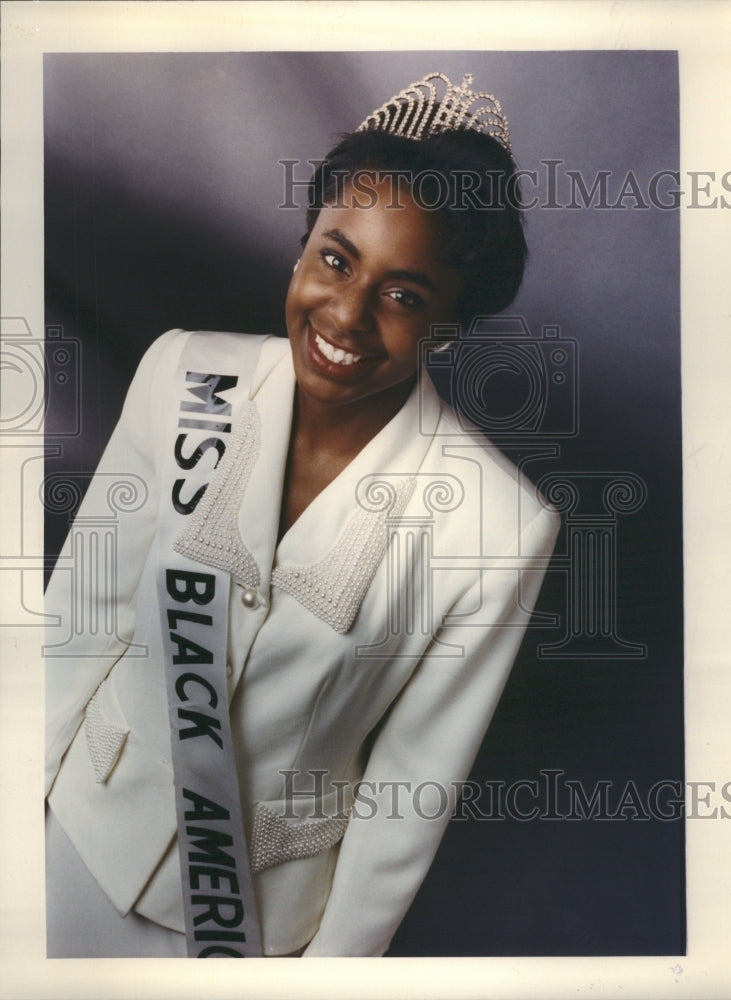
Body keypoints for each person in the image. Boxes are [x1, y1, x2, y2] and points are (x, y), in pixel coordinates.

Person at [44, 72, 560, 958]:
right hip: (72, 844)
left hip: (247, 926)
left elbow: (409, 796)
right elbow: (76, 627)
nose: (347, 314)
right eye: (335, 257)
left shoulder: (498, 525)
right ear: (303, 245)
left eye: (403, 294)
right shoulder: (184, 378)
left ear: (447, 323)